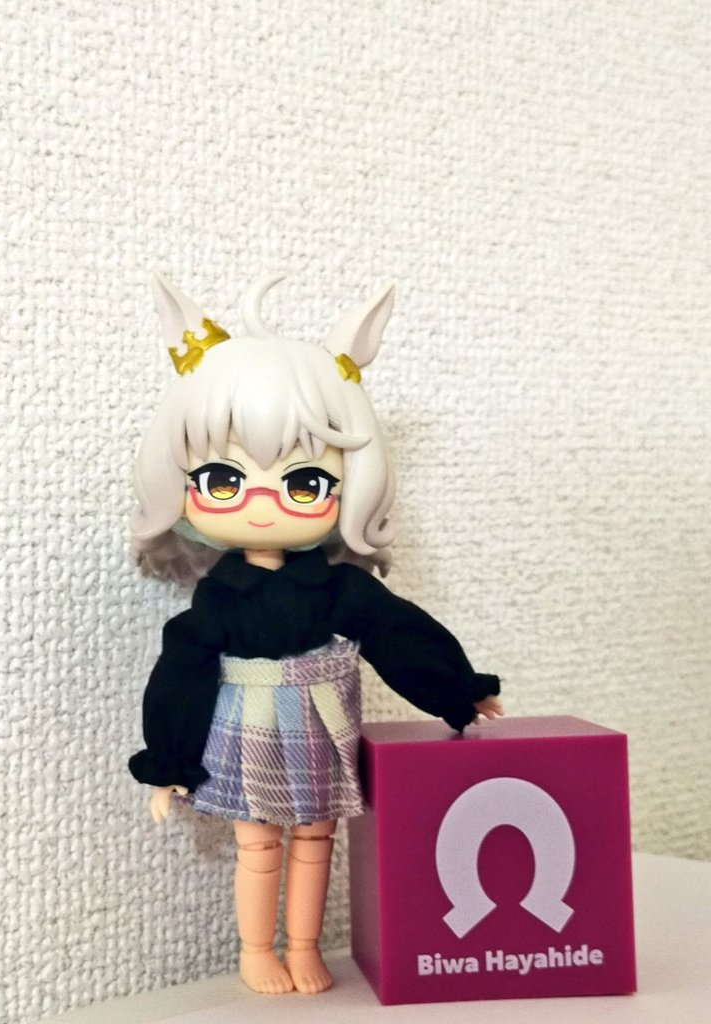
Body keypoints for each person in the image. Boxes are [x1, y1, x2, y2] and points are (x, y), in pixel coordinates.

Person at [129, 274, 503, 994]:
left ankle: (304, 947)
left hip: (321, 719)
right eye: (225, 480)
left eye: (303, 484)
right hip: (247, 720)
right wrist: (169, 757)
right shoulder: (217, 601)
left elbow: (397, 632)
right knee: (258, 843)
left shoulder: (337, 590)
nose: (262, 503)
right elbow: (181, 672)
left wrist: (456, 691)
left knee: (316, 838)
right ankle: (255, 951)